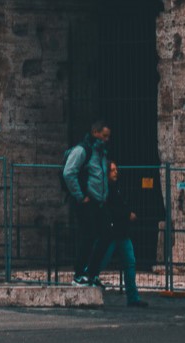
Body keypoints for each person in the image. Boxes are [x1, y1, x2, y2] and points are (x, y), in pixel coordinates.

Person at [86, 162, 148, 308]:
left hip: (122, 232)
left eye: (116, 170)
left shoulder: (116, 188)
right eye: (112, 170)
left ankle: (133, 298)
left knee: (130, 263)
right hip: (110, 233)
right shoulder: (104, 190)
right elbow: (110, 210)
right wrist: (127, 214)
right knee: (100, 262)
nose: (115, 173)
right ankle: (86, 288)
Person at [62, 119, 111, 285]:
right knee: (88, 237)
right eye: (104, 135)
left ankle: (92, 273)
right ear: (95, 133)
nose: (106, 139)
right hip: (86, 201)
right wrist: (80, 196)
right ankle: (79, 274)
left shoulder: (101, 152)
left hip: (99, 202)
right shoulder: (82, 150)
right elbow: (69, 173)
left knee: (105, 235)